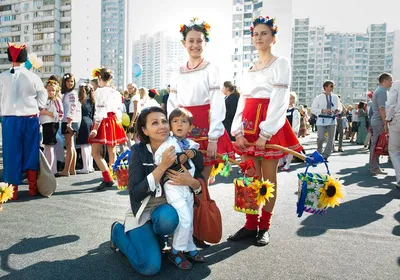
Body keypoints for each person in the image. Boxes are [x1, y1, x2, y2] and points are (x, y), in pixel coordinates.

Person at [229, 16, 303, 246]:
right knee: (250, 176)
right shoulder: (249, 68)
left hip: (268, 123)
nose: (259, 38)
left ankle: (264, 227)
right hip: (248, 124)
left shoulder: (280, 63)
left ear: (273, 38)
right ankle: (250, 224)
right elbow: (243, 100)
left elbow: (280, 99)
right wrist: (237, 131)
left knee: (268, 179)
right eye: (256, 34)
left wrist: (265, 133)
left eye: (264, 34)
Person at [110, 107, 204, 275]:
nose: (162, 126)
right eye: (154, 123)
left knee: (169, 217)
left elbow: (200, 184)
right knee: (149, 267)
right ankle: (118, 232)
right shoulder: (138, 152)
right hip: (142, 210)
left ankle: (160, 238)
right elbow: (136, 193)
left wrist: (192, 182)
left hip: (166, 211)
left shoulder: (180, 145)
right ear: (144, 130)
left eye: (164, 121)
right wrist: (161, 167)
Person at [167, 17, 234, 180]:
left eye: (199, 41)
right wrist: (172, 129)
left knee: (202, 180)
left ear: (205, 43)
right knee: (183, 178)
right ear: (184, 43)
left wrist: (213, 138)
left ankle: (204, 205)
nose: (195, 45)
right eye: (191, 40)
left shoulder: (211, 68)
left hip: (206, 127)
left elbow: (217, 103)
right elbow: (172, 104)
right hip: (182, 127)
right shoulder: (177, 72)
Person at [154, 108, 206, 269]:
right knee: (185, 219)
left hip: (188, 188)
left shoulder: (192, 144)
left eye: (184, 122)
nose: (179, 124)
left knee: (189, 217)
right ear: (170, 125)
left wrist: (194, 154)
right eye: (175, 121)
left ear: (190, 127)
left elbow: (200, 165)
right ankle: (175, 251)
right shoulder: (166, 144)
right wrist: (177, 158)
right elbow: (158, 161)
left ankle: (189, 247)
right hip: (174, 186)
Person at [0, 43, 47, 200]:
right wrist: (37, 106)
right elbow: (43, 96)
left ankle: (12, 193)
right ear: (25, 57)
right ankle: (32, 188)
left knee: (11, 155)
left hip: (10, 120)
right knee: (31, 153)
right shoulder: (33, 76)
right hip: (30, 119)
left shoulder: (2, 77)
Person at [89, 68, 128, 191]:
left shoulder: (100, 91)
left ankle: (107, 178)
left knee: (95, 152)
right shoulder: (116, 92)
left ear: (100, 78)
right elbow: (119, 111)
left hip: (103, 121)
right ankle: (112, 175)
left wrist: (95, 127)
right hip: (114, 120)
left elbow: (100, 111)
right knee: (112, 151)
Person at [57, 73, 81, 177]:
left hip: (69, 121)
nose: (70, 83)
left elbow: (72, 107)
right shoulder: (68, 93)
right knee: (72, 146)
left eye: (71, 81)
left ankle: (66, 170)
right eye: (68, 81)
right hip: (69, 120)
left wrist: (69, 122)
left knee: (69, 146)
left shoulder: (71, 94)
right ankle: (71, 169)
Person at [369, 73, 393, 175]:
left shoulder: (381, 91)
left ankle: (375, 166)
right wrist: (385, 123)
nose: (392, 82)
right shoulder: (382, 92)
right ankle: (374, 167)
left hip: (378, 121)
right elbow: (382, 108)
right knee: (377, 144)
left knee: (376, 144)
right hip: (379, 121)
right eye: (391, 80)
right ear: (385, 81)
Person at [311, 80, 341, 161]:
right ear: (325, 87)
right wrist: (322, 110)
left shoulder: (335, 97)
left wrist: (337, 110)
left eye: (333, 86)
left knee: (331, 139)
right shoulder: (318, 97)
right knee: (320, 138)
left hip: (332, 120)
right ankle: (319, 151)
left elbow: (340, 107)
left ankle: (325, 155)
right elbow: (313, 109)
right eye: (331, 86)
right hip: (321, 120)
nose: (332, 88)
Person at [39, 79, 64, 174]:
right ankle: (52, 169)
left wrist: (45, 112)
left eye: (53, 90)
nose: (51, 92)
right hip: (45, 124)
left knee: (49, 147)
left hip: (51, 125)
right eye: (49, 90)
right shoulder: (45, 100)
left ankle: (50, 170)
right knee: (48, 147)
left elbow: (60, 114)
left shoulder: (56, 100)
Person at [76, 83, 95, 174]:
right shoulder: (92, 101)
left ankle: (85, 167)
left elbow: (79, 114)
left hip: (83, 122)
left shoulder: (80, 101)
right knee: (89, 146)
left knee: (84, 146)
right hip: (91, 122)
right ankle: (90, 166)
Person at [280, 91, 300, 171]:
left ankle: (288, 164)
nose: (290, 100)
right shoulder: (283, 110)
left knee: (290, 149)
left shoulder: (295, 110)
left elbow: (296, 123)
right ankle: (281, 162)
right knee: (281, 147)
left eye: (291, 98)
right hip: (282, 131)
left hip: (291, 132)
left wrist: (294, 132)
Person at [386, 80, 400, 189]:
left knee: (394, 150)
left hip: (398, 118)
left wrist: (388, 118)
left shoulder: (397, 84)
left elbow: (391, 104)